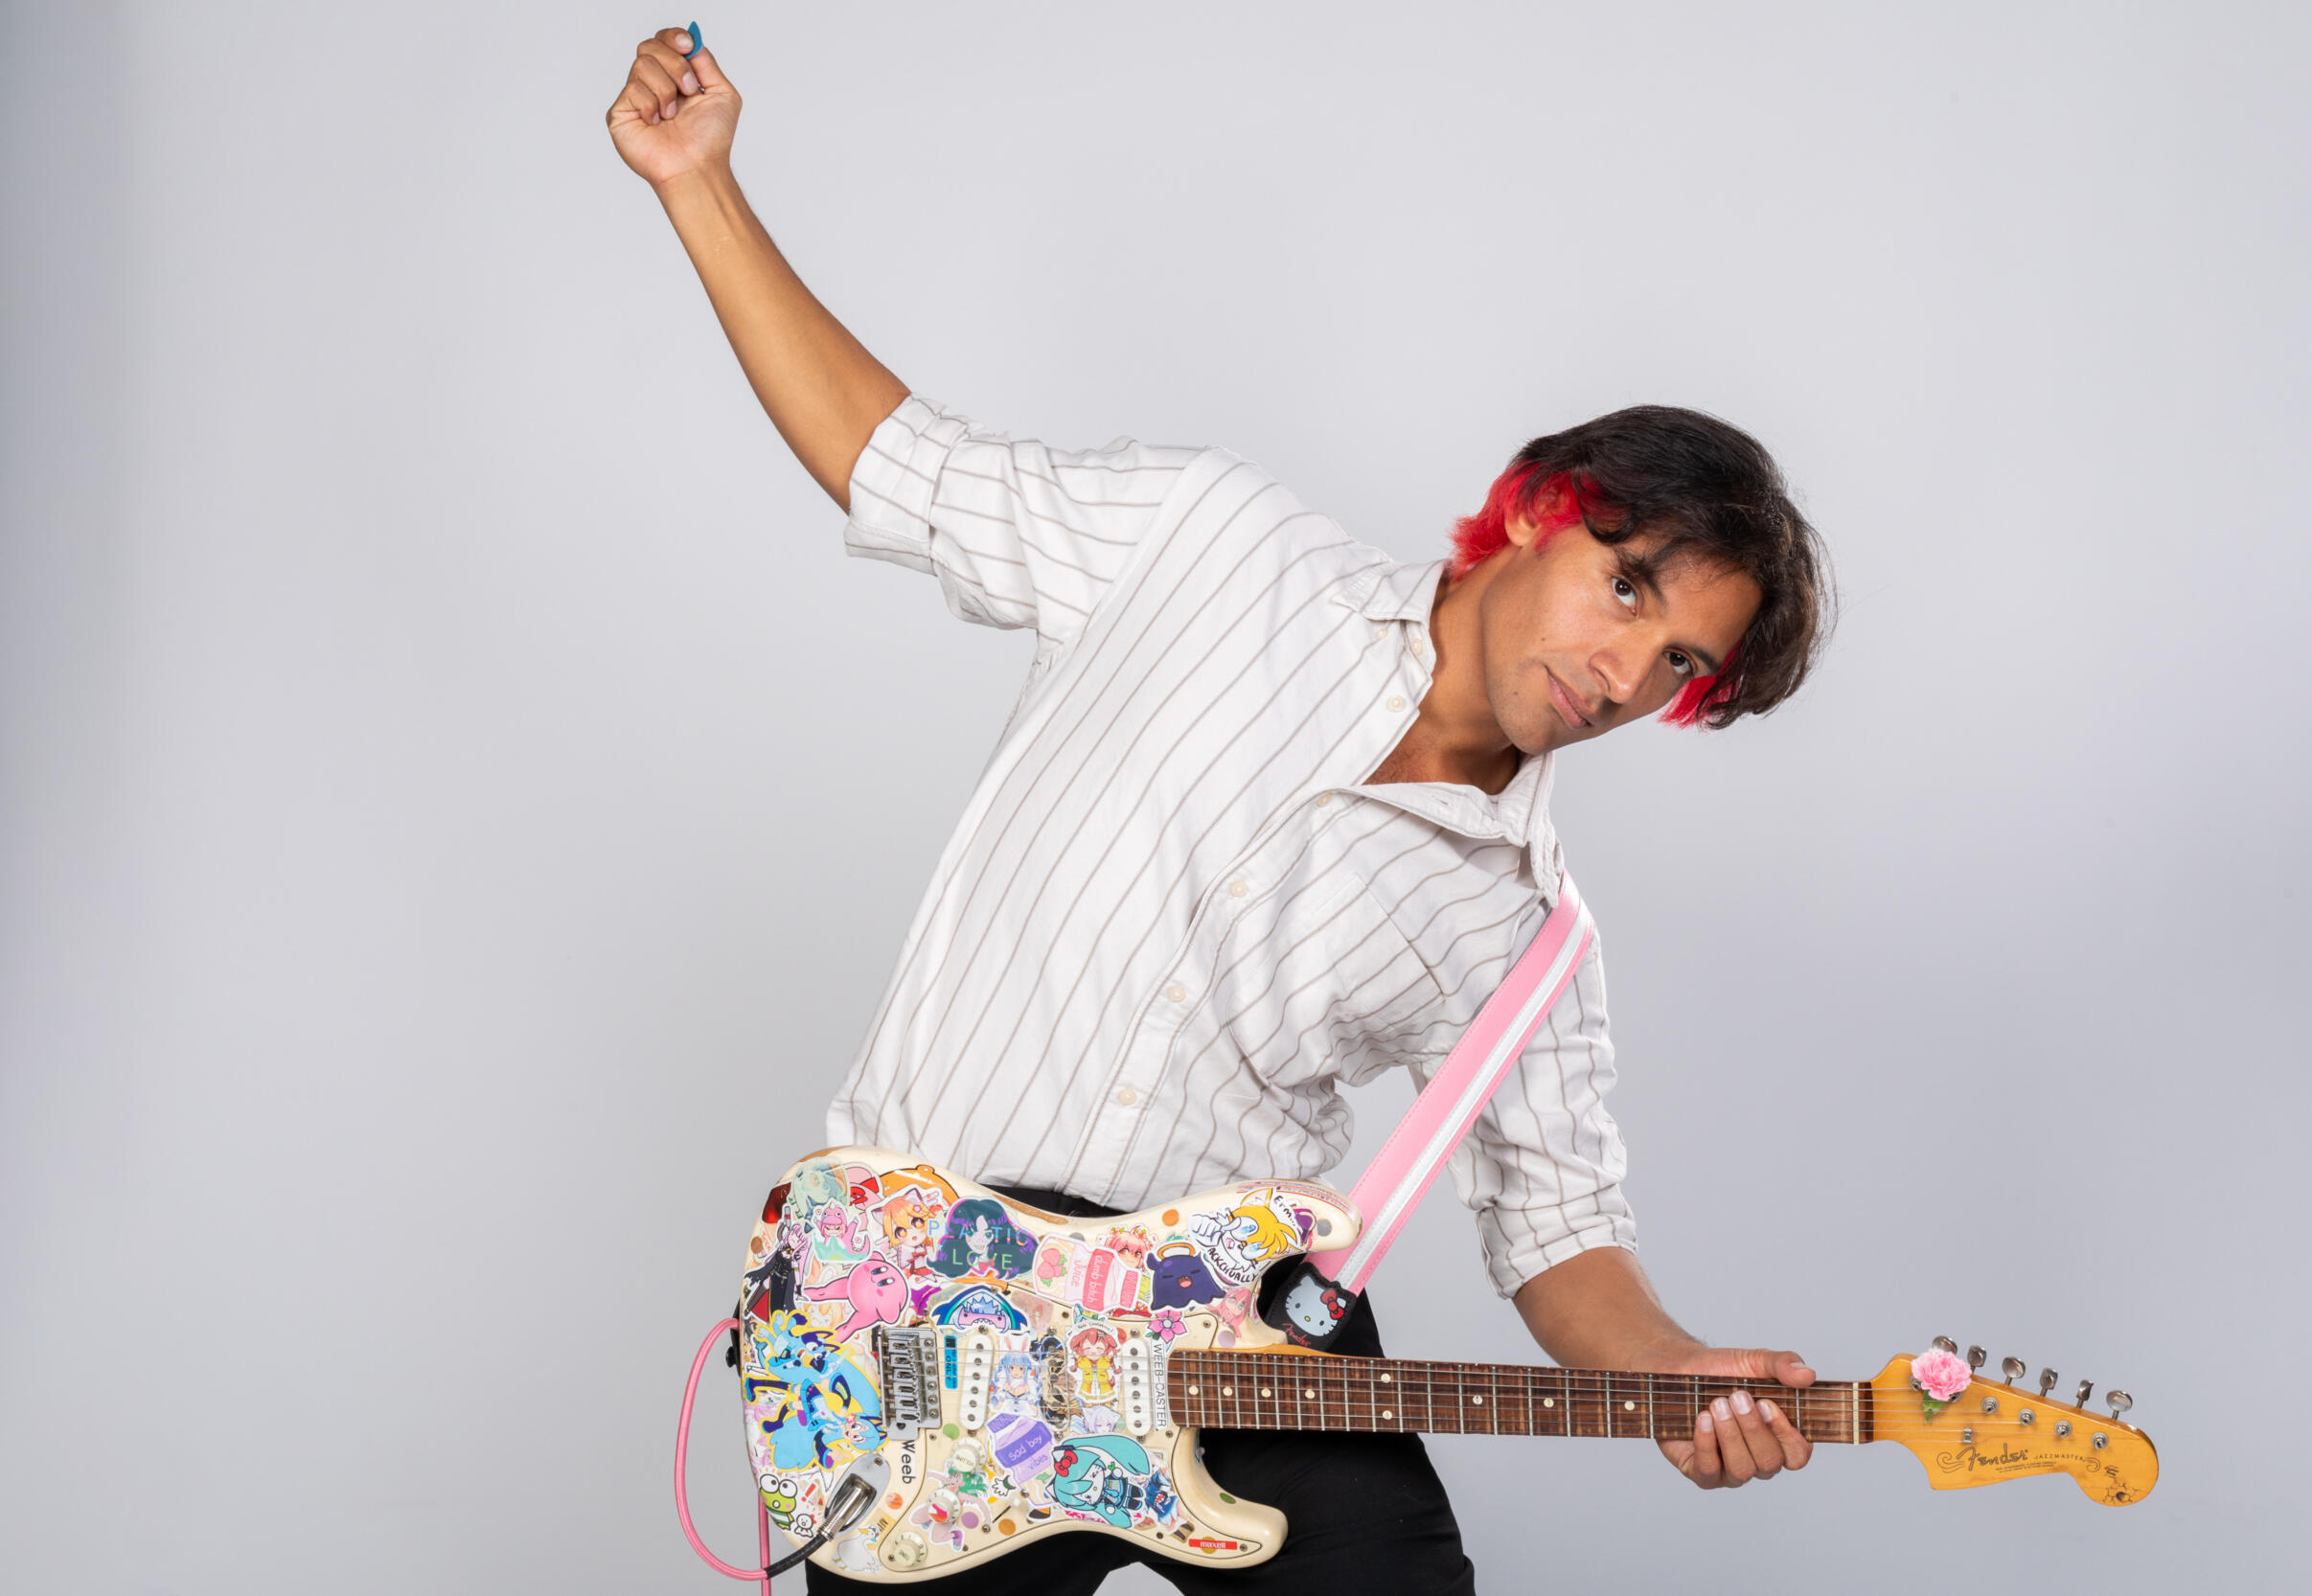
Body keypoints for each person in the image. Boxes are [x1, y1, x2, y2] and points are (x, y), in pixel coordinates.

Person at [609, 25, 1834, 1594]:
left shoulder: (1528, 934)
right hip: (929, 1304)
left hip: (1238, 1320)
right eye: (1630, 588)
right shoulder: (1214, 542)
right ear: (1542, 508)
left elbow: (1556, 1227)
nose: (1622, 672)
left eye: (1678, 666)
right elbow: (905, 465)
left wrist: (1669, 1368)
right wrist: (699, 185)